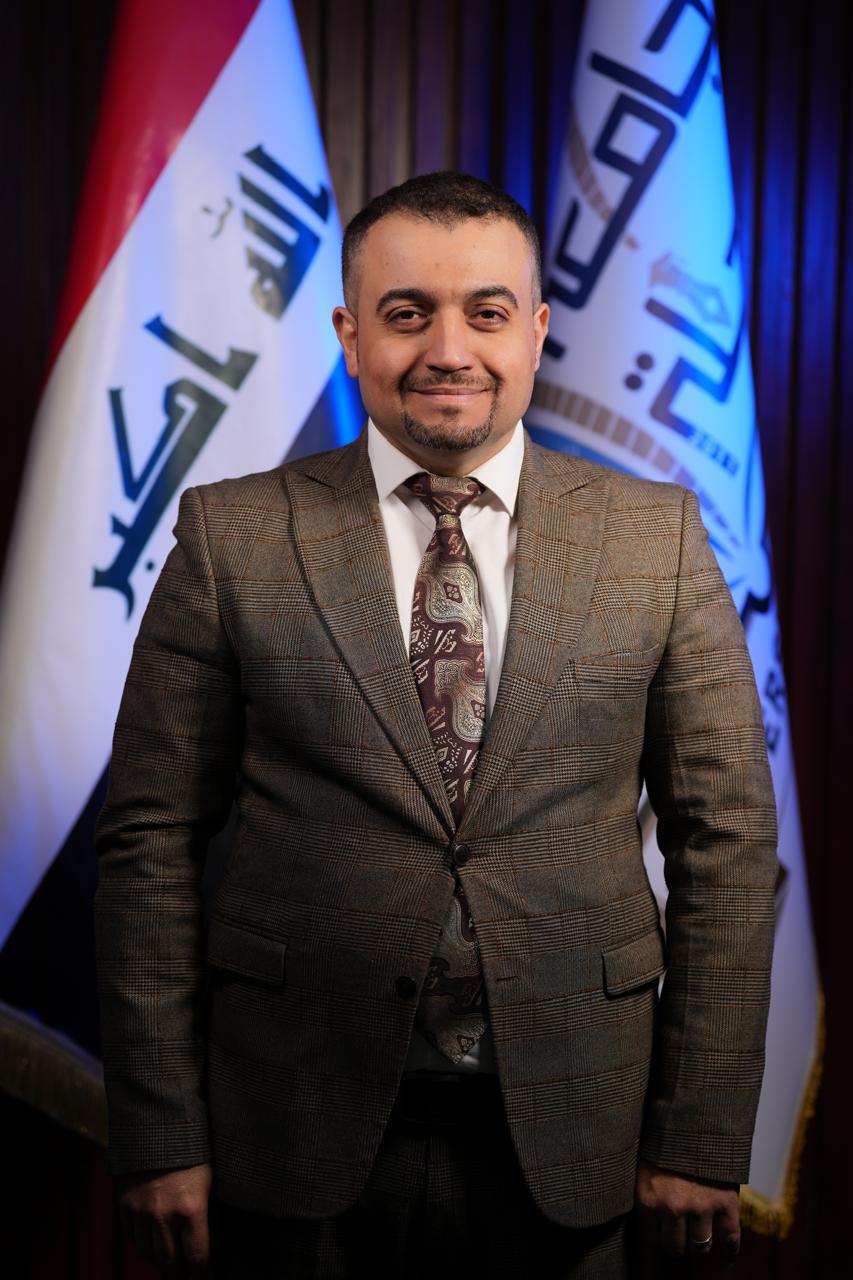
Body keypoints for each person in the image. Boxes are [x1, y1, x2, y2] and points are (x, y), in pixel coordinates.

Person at [94, 172, 778, 1279]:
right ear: (350, 334)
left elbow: (728, 841)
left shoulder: (657, 540)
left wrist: (699, 1132)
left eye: (486, 312)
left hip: (583, 1133)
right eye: (407, 312)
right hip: (288, 1128)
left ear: (536, 331)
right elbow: (147, 844)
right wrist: (160, 1129)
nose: (448, 349)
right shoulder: (231, 537)